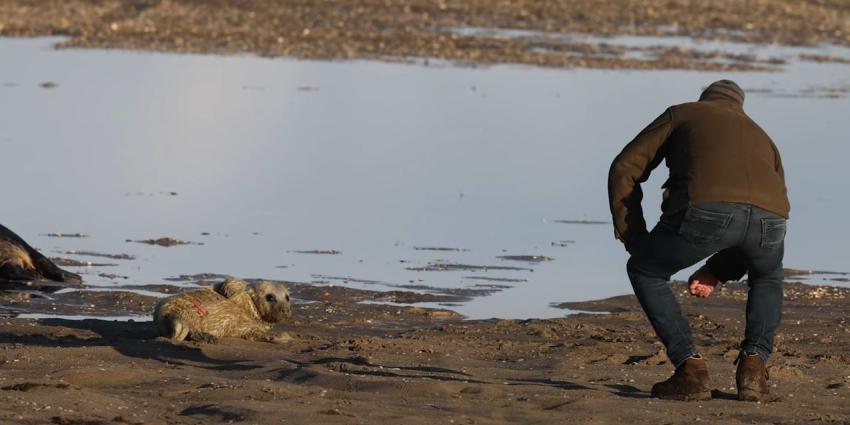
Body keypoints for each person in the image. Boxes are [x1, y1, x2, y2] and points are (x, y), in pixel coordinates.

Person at [607, 80, 789, 401]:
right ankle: (754, 373)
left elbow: (625, 167)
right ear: (740, 105)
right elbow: (750, 214)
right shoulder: (764, 137)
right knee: (768, 277)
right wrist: (715, 271)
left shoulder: (683, 114)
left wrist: (636, 239)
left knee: (645, 270)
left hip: (707, 211)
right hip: (772, 219)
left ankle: (691, 371)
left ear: (704, 98)